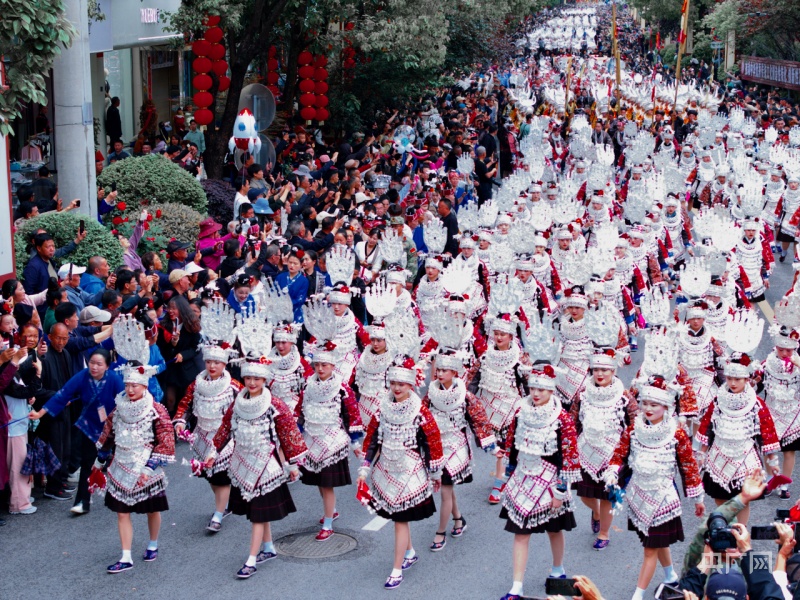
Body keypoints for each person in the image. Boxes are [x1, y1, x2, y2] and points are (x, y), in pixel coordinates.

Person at [206, 356, 308, 579]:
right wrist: (213, 452)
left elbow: (288, 433)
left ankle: (251, 560)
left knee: (258, 515)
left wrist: (292, 464)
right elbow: (225, 428)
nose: (252, 382)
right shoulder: (238, 402)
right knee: (257, 512)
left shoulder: (274, 405)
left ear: (264, 379)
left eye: (257, 378)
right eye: (249, 378)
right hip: (242, 463)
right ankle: (268, 548)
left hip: (266, 467)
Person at [604, 378, 704, 600]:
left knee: (650, 548)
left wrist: (697, 498)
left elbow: (688, 466)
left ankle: (637, 595)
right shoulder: (633, 430)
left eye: (654, 404)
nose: (648, 408)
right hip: (638, 496)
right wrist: (612, 472)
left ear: (666, 407)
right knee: (656, 542)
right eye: (645, 403)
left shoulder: (676, 434)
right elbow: (619, 455)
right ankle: (670, 575)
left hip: (663, 499)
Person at [358, 356, 444, 589]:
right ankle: (410, 553)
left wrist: (435, 474)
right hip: (386, 470)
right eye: (393, 382)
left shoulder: (421, 411)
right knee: (399, 517)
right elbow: (373, 439)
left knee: (400, 519)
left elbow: (433, 441)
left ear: (411, 385)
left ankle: (396, 570)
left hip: (410, 471)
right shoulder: (382, 407)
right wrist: (365, 468)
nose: (396, 388)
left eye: (402, 384)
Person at [499, 364, 580, 600]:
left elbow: (569, 455)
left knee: (554, 530)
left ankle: (558, 570)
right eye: (533, 388)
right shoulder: (520, 412)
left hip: (550, 480)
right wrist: (509, 473)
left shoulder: (562, 419)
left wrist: (561, 490)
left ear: (551, 391)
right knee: (520, 533)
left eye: (541, 390)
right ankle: (516, 586)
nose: (535, 394)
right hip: (523, 477)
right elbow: (513, 444)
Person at [96, 362, 174, 573]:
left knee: (152, 509)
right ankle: (126, 556)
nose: (130, 390)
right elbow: (108, 434)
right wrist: (99, 461)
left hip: (146, 467)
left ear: (145, 386)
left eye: (135, 386)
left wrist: (148, 469)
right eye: (127, 385)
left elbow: (166, 441)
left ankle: (153, 543)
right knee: (122, 513)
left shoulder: (156, 409)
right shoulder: (118, 407)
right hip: (121, 465)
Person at [29, 349, 124, 515]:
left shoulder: (115, 380)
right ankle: (82, 502)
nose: (94, 367)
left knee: (118, 461)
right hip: (89, 426)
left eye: (99, 364)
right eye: (92, 363)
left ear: (107, 366)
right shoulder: (83, 376)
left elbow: (126, 401)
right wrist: (39, 413)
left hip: (113, 426)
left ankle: (124, 495)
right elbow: (62, 394)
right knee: (87, 463)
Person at [696, 353, 781, 525]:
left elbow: (767, 430)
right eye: (729, 378)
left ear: (747, 378)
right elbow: (707, 426)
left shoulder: (756, 403)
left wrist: (772, 461)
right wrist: (701, 454)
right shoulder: (718, 401)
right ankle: (726, 528)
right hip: (719, 455)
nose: (733, 383)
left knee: (744, 499)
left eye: (737, 379)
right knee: (720, 497)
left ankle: (740, 533)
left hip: (746, 456)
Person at [425, 350, 495, 552]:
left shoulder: (466, 396)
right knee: (448, 488)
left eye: (445, 370)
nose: (440, 373)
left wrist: (492, 447)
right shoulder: (431, 394)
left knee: (445, 489)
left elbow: (479, 421)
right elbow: (421, 418)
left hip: (456, 446)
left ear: (454, 372)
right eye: (438, 369)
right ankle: (458, 520)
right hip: (437, 448)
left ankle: (440, 532)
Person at [173, 332, 242, 533]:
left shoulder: (233, 387)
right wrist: (179, 422)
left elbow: (243, 408)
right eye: (209, 362)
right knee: (210, 476)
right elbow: (184, 405)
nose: (212, 366)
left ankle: (218, 515)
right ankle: (225, 504)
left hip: (224, 439)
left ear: (224, 364)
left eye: (217, 363)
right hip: (202, 436)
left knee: (220, 476)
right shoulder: (197, 383)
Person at [570, 348, 637, 550]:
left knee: (607, 495)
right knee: (585, 495)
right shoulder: (582, 395)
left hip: (613, 455)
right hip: (586, 450)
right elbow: (573, 422)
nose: (600, 374)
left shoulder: (624, 397)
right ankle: (596, 512)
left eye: (604, 370)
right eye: (596, 369)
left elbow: (634, 424)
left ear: (613, 371)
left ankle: (604, 532)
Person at [296, 340, 363, 541]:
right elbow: (299, 411)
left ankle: (328, 524)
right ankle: (331, 511)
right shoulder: (307, 386)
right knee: (318, 481)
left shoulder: (342, 388)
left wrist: (355, 442)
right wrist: (295, 437)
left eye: (325, 365)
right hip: (312, 440)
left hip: (333, 442)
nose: (320, 369)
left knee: (326, 484)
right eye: (317, 365)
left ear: (333, 366)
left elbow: (351, 414)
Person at [4, 345, 43, 515]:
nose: (18, 364)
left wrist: (29, 398)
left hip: (19, 425)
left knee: (22, 463)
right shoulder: (5, 380)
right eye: (14, 361)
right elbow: (24, 391)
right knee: (17, 466)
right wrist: (39, 374)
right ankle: (19, 503)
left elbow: (25, 393)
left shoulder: (13, 376)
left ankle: (23, 497)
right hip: (12, 429)